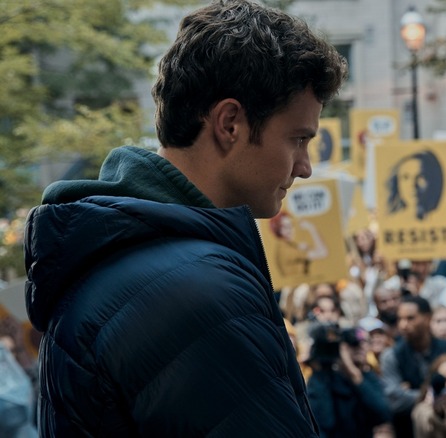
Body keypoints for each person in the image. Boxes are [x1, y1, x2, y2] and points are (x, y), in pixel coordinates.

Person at [23, 1, 347, 435]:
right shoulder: (199, 292)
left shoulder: (128, 255)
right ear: (229, 123)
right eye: (298, 139)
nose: (304, 166)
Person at [380, 295, 446, 438]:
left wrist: (410, 393)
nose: (403, 325)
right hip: (407, 430)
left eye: (410, 318)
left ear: (427, 319)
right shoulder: (391, 356)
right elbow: (394, 400)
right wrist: (435, 394)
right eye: (400, 319)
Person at [306, 324, 393, 438]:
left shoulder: (368, 378)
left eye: (365, 342)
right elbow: (324, 422)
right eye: (354, 343)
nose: (361, 347)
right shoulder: (323, 378)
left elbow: (383, 414)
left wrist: (355, 376)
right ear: (340, 347)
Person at [385, 150, 444, 221]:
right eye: (406, 177)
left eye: (420, 177)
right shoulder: (392, 221)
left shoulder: (441, 220)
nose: (412, 185)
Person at [269, 210, 329, 276]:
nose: (290, 230)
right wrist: (311, 227)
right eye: (286, 227)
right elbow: (323, 252)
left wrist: (298, 247)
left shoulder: (285, 246)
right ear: (278, 230)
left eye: (291, 225)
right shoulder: (287, 250)